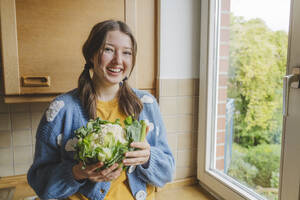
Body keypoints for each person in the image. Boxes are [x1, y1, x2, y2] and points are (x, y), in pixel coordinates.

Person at [27, 20, 175, 200]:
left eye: (126, 53)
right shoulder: (61, 110)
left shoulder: (146, 104)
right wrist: (77, 173)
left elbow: (167, 172)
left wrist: (148, 158)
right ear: (91, 55)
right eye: (108, 50)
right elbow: (39, 182)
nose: (118, 60)